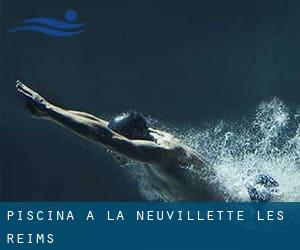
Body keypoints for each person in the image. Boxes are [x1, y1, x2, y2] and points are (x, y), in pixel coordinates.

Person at [15, 80, 278, 201]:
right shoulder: (146, 139)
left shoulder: (162, 154)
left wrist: (48, 109)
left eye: (115, 146)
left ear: (132, 140)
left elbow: (106, 137)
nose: (110, 151)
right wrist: (51, 113)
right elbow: (99, 125)